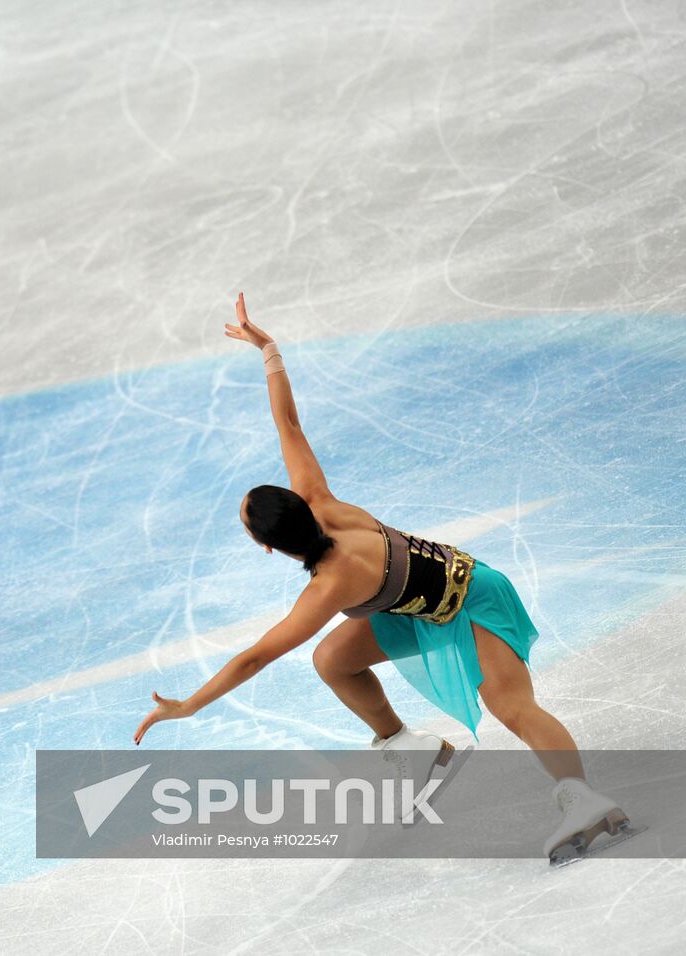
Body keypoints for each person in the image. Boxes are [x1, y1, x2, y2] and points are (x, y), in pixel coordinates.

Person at [132, 293, 634, 864]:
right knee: (332, 660)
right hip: (417, 611)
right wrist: (269, 350)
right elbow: (288, 422)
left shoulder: (327, 588)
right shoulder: (322, 501)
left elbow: (253, 658)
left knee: (508, 704)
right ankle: (407, 745)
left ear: (268, 546)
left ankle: (582, 798)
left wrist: (189, 706)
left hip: (476, 598)